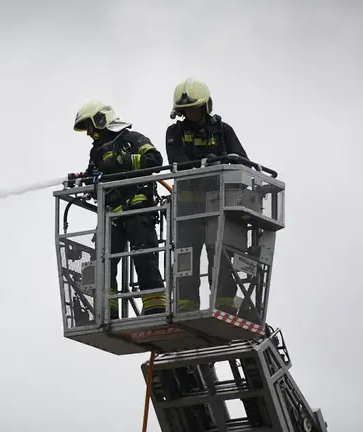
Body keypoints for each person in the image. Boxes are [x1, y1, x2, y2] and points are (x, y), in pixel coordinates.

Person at [74, 101, 166, 319]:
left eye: (89, 126)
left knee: (143, 255)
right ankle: (109, 309)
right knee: (103, 260)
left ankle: (155, 306)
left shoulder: (131, 139)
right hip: (111, 214)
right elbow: (93, 175)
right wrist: (85, 181)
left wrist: (121, 160)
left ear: (100, 120)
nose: (88, 133)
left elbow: (154, 160)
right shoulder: (96, 152)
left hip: (138, 207)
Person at [165, 78, 249, 315]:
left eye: (193, 108)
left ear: (204, 106)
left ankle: (224, 303)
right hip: (187, 210)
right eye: (185, 110)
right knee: (186, 260)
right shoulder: (174, 133)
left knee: (221, 254)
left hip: (219, 206)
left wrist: (219, 162)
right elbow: (179, 163)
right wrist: (207, 166)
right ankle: (186, 307)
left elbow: (240, 160)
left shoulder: (223, 131)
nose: (189, 113)